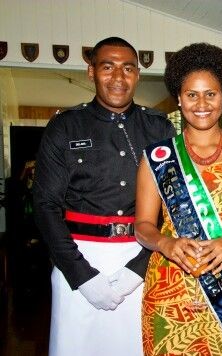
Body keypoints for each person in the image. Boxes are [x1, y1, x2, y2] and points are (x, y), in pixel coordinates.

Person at [33, 37, 176, 356]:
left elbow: (173, 206)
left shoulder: (159, 128)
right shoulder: (65, 126)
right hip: (78, 258)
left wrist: (139, 269)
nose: (118, 77)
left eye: (128, 68)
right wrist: (80, 275)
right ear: (91, 72)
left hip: (143, 256)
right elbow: (45, 206)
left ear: (137, 75)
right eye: (108, 67)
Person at [134, 42, 222, 356]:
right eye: (191, 94)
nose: (201, 103)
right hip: (169, 289)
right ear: (179, 99)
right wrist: (166, 243)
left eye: (211, 93)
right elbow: (142, 225)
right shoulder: (157, 157)